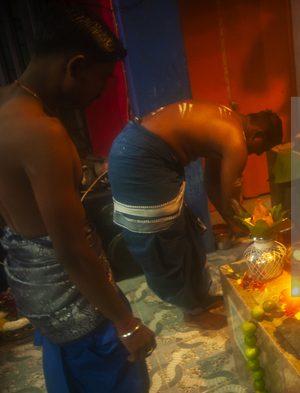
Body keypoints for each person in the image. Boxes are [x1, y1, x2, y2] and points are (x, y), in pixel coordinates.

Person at [0, 3, 155, 392]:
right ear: (76, 67)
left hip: (32, 287)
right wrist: (128, 324)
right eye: (103, 78)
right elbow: (70, 251)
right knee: (115, 378)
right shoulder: (43, 133)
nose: (103, 90)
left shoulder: (5, 105)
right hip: (76, 301)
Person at [108, 100, 283, 328]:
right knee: (166, 238)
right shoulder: (236, 141)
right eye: (261, 149)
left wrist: (234, 223)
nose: (257, 155)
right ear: (257, 134)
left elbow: (211, 183)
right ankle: (192, 314)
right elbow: (231, 198)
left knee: (185, 228)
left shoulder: (228, 122)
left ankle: (198, 300)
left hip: (139, 148)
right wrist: (250, 227)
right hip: (140, 157)